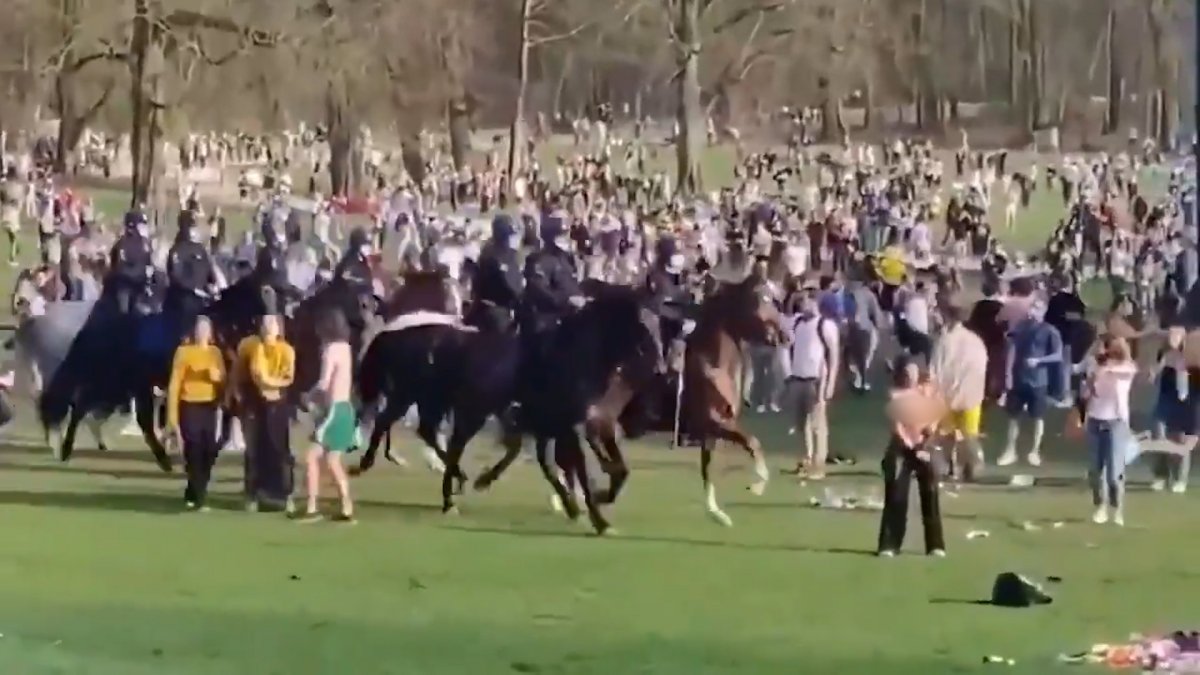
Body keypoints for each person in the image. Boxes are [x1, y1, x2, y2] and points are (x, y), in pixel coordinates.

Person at [877, 358, 946, 558]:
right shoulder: (895, 395)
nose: (911, 376)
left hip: (925, 445)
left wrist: (929, 430)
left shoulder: (928, 392)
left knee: (930, 494)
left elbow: (939, 410)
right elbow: (897, 425)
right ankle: (889, 544)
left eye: (914, 372)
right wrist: (911, 444)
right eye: (907, 372)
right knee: (897, 495)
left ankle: (935, 545)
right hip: (902, 447)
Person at [298, 312, 357, 523]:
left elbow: (324, 383)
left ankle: (313, 508)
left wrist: (308, 395)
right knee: (332, 461)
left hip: (334, 411)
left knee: (313, 457)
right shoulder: (346, 348)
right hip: (345, 409)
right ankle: (345, 506)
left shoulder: (330, 350)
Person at [165, 315, 225, 510]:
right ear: (194, 331)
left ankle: (193, 490)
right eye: (199, 329)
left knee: (208, 451)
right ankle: (200, 498)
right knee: (194, 450)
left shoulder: (215, 353)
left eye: (206, 329)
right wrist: (172, 417)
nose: (202, 333)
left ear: (211, 333)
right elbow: (174, 385)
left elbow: (223, 379)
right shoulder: (183, 353)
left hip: (209, 406)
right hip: (189, 404)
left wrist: (217, 379)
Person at [241, 313, 296, 513]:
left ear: (279, 328)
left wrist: (273, 384)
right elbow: (259, 377)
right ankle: (253, 494)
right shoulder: (256, 349)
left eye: (271, 324)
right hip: (256, 404)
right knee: (254, 450)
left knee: (281, 450)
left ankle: (285, 494)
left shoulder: (287, 350)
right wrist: (273, 383)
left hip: (279, 406)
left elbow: (289, 377)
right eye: (264, 324)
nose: (267, 328)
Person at [999, 297, 1063, 467]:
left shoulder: (1050, 331)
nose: (1033, 310)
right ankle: (1010, 450)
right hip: (1019, 378)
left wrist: (1039, 360)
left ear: (1044, 310)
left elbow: (1058, 355)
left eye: (1037, 307)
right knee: (1013, 416)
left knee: (1038, 417)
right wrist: (1008, 374)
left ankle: (1034, 451)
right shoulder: (1021, 327)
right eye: (1032, 306)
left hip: (1039, 381)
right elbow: (1011, 346)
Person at [783, 288, 839, 479]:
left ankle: (818, 464)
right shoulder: (798, 323)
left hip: (816, 380)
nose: (803, 304)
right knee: (801, 424)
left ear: (815, 303)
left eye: (806, 301)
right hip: (798, 377)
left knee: (817, 424)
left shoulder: (825, 325)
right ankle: (805, 460)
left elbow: (833, 355)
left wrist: (830, 383)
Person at [1083, 335, 1136, 525]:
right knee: (1095, 470)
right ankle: (1101, 506)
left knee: (1114, 471)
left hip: (1116, 422)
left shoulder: (1127, 367)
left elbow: (1119, 373)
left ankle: (1118, 509)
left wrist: (1103, 368)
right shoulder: (1095, 366)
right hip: (1096, 420)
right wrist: (1092, 375)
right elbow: (1087, 391)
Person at [930, 305, 988, 481]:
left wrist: (935, 391)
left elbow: (935, 368)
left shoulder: (944, 341)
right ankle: (970, 466)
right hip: (971, 395)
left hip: (948, 394)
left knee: (948, 435)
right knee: (969, 435)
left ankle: (953, 467)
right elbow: (981, 366)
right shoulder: (975, 341)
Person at [468, 213, 524, 332]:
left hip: (485, 310)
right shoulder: (502, 256)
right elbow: (513, 288)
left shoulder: (487, 252)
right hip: (498, 313)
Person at [165, 217, 216, 328]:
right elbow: (176, 276)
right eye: (193, 227)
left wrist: (212, 285)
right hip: (185, 296)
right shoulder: (177, 250)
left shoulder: (201, 249)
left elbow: (209, 272)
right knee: (188, 306)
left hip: (203, 295)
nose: (196, 230)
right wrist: (195, 290)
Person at [108, 211, 154, 314]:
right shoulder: (124, 244)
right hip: (126, 285)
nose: (144, 228)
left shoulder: (145, 243)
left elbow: (149, 262)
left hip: (139, 285)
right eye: (141, 224)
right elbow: (119, 266)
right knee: (124, 312)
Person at [333, 226, 374, 292]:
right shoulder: (349, 262)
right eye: (366, 244)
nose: (369, 248)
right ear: (358, 244)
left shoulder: (361, 260)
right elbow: (346, 281)